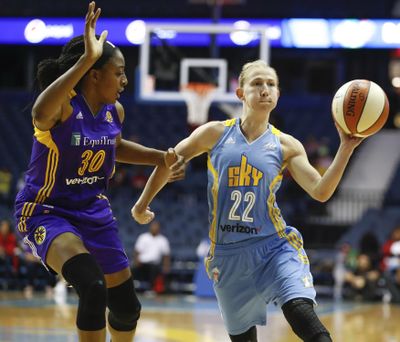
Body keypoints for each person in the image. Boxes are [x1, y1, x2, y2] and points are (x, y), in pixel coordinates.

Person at [132, 59, 366, 341]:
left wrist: (345, 147)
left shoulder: (287, 146)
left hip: (274, 247)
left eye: (271, 84)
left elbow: (320, 191)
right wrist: (142, 204)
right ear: (240, 93)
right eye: (257, 83)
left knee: (302, 313)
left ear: (278, 96)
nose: (265, 89)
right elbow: (166, 160)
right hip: (228, 255)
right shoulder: (214, 133)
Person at [13, 2, 184, 342]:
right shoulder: (62, 107)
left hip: (93, 211)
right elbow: (39, 110)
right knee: (92, 286)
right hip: (47, 212)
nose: (124, 80)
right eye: (118, 72)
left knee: (127, 308)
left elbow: (115, 148)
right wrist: (85, 58)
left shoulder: (113, 111)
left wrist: (159, 158)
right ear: (93, 73)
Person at [132, 220, 170, 293]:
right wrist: (136, 262)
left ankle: (151, 289)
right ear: (150, 227)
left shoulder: (163, 240)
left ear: (159, 228)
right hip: (142, 263)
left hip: (154, 265)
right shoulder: (143, 237)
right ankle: (130, 289)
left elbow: (166, 255)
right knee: (130, 270)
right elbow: (137, 252)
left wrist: (166, 266)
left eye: (156, 226)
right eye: (153, 226)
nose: (155, 228)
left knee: (154, 270)